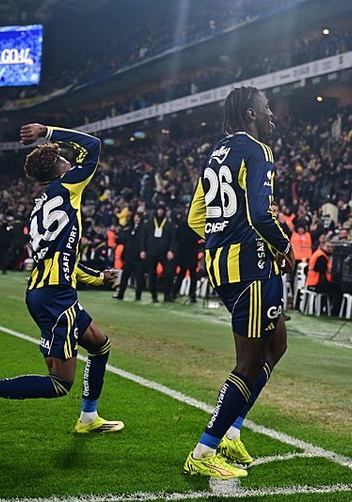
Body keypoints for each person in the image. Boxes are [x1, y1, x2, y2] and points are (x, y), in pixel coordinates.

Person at [0, 123, 123, 436]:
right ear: (59, 171)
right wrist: (47, 132)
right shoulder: (68, 188)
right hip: (54, 296)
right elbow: (93, 146)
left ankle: (89, 418)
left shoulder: (40, 206)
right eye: (65, 161)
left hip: (51, 290)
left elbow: (64, 260)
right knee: (59, 383)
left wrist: (99, 278)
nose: (71, 163)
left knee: (100, 346)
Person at [184, 86, 294, 479]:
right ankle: (203, 451)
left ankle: (232, 431)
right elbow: (262, 215)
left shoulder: (217, 152)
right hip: (251, 267)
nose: (271, 115)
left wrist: (225, 236)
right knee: (248, 364)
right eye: (266, 108)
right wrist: (285, 246)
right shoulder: (258, 150)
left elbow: (196, 218)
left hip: (222, 263)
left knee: (276, 344)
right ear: (250, 113)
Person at [143, 205, 176, 303]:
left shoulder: (169, 225)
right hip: (151, 252)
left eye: (162, 210)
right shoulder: (149, 223)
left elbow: (173, 239)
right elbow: (144, 237)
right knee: (152, 274)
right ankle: (154, 295)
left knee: (169, 273)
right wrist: (142, 250)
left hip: (164, 253)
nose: (160, 212)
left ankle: (167, 295)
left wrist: (171, 250)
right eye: (159, 210)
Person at [113, 212, 146, 301]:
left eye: (138, 217)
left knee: (139, 278)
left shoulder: (143, 230)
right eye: (135, 217)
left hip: (138, 258)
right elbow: (123, 239)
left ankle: (138, 296)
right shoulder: (129, 229)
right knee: (125, 276)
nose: (136, 219)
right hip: (128, 257)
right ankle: (120, 294)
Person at [173, 210, 201, 303]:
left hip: (186, 253)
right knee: (190, 275)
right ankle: (191, 295)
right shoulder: (194, 225)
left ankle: (175, 293)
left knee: (183, 274)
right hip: (190, 253)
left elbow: (177, 238)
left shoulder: (182, 225)